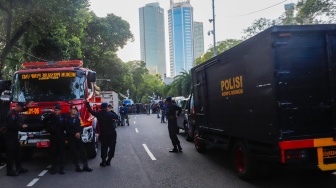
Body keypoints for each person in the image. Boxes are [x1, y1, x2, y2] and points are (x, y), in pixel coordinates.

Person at [86, 101, 118, 167]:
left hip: (104, 133)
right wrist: (111, 111)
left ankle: (103, 161)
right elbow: (116, 116)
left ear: (101, 108)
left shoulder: (99, 114)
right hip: (112, 133)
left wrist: (87, 104)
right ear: (106, 108)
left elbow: (90, 111)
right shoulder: (110, 114)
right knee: (112, 147)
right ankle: (108, 160)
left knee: (104, 147)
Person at [5, 101, 33, 176]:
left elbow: (23, 110)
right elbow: (11, 126)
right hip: (10, 137)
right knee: (11, 154)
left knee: (18, 153)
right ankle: (9, 170)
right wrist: (21, 126)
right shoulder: (12, 114)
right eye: (21, 108)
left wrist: (28, 107)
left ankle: (19, 168)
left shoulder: (15, 112)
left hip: (14, 137)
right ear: (18, 107)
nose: (21, 110)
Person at [65, 105, 92, 172]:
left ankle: (85, 165)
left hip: (78, 137)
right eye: (72, 110)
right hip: (71, 138)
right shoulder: (66, 119)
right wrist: (75, 133)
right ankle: (77, 166)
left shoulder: (78, 118)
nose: (74, 111)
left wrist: (79, 132)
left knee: (83, 151)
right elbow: (66, 129)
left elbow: (82, 126)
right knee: (74, 152)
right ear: (70, 111)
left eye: (75, 110)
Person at [43, 104, 66, 174]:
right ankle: (53, 168)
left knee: (62, 153)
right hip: (53, 137)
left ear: (60, 111)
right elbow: (44, 123)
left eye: (58, 110)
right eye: (55, 110)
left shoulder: (63, 117)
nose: (56, 111)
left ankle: (62, 168)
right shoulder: (51, 117)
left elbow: (66, 127)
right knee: (53, 153)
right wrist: (48, 129)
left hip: (61, 137)